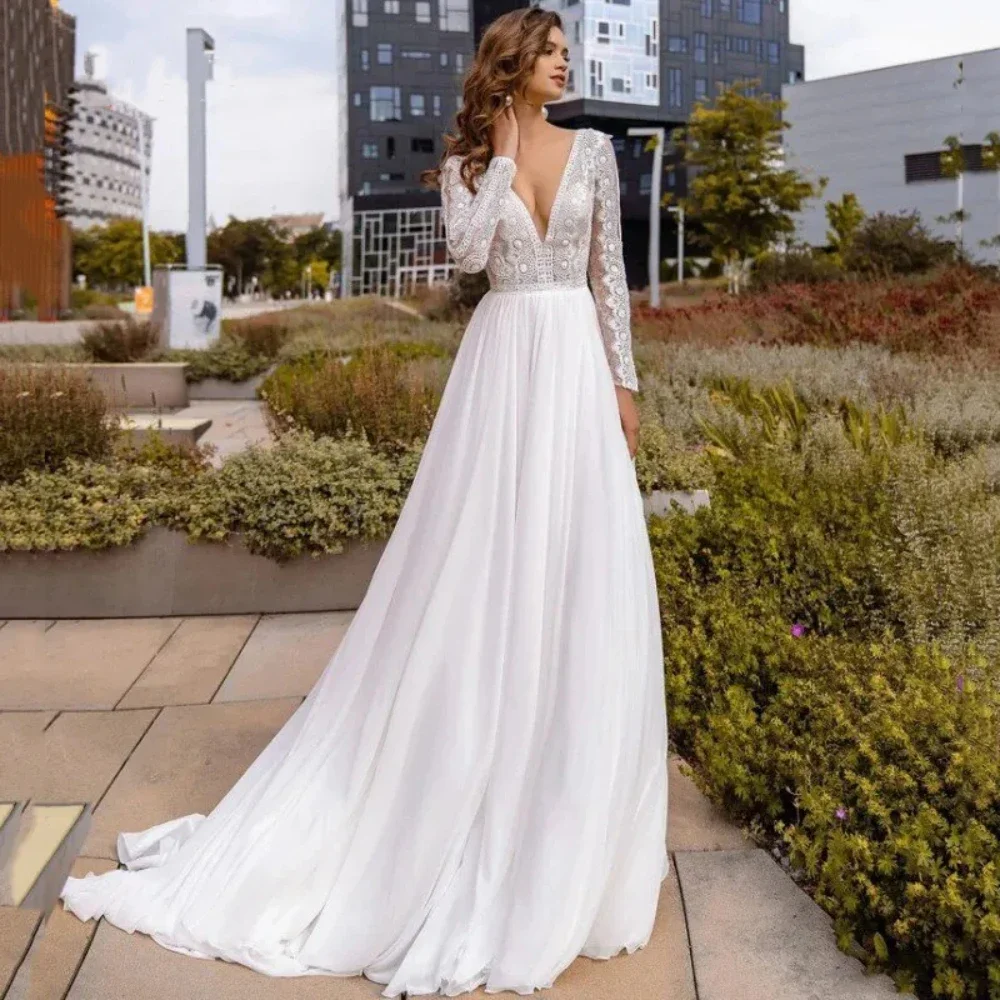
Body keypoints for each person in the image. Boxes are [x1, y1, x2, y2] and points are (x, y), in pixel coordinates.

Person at [59, 7, 668, 996]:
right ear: (509, 68)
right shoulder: (466, 166)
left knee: (581, 570)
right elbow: (470, 260)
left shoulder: (597, 152)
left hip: (572, 370)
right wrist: (504, 155)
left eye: (567, 52)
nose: (566, 63)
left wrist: (622, 381)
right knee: (479, 567)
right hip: (503, 370)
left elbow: (611, 282)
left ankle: (565, 806)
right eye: (549, 52)